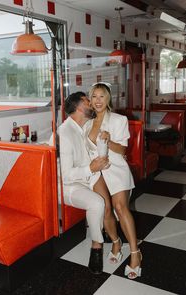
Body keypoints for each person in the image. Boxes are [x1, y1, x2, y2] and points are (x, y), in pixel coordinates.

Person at [85, 82, 142, 280]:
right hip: (97, 172)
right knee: (105, 209)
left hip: (116, 169)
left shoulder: (119, 120)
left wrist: (109, 141)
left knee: (120, 207)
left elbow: (123, 150)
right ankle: (116, 242)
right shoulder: (86, 122)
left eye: (102, 96)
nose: (98, 100)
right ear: (90, 100)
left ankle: (135, 253)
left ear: (108, 99)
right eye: (94, 96)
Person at [58, 91, 110, 275]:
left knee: (109, 192)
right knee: (97, 202)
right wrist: (91, 168)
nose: (92, 103)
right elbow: (65, 175)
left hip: (85, 177)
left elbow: (95, 132)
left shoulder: (82, 125)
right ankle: (97, 247)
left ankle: (108, 232)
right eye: (88, 101)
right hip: (67, 185)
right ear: (80, 107)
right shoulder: (64, 133)